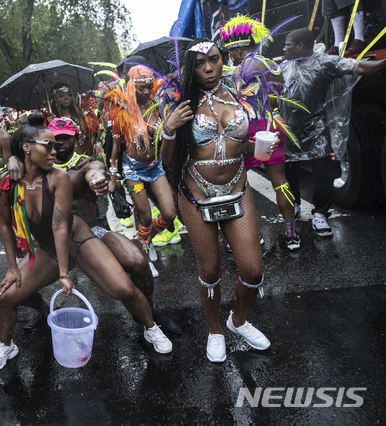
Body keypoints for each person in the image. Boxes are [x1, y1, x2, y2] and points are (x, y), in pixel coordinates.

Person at [0, 113, 172, 372]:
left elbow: (60, 225)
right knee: (6, 297)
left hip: (79, 240)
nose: (54, 150)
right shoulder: (6, 181)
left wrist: (64, 273)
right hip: (49, 249)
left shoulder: (58, 177)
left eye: (58, 144)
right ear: (27, 148)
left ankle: (151, 327)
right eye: (49, 145)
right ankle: (6, 345)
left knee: (123, 290)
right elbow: (5, 225)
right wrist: (11, 266)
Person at [161, 38, 275, 363]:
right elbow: (168, 161)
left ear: (222, 59)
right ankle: (215, 330)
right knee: (210, 270)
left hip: (238, 190)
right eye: (200, 63)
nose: (209, 68)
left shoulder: (237, 94)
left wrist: (262, 148)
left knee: (252, 271)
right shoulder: (183, 103)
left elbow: (242, 146)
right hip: (197, 195)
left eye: (214, 59)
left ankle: (237, 320)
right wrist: (170, 128)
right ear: (190, 69)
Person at [21, 116, 182, 336]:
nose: (59, 144)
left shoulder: (85, 163)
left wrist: (98, 179)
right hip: (53, 243)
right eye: (55, 139)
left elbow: (95, 171)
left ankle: (150, 312)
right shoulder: (37, 169)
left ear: (75, 138)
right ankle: (45, 312)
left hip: (91, 233)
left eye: (65, 138)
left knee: (137, 262)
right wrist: (12, 160)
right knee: (15, 288)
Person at [281, 28, 386, 236]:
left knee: (325, 173)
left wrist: (382, 64)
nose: (284, 48)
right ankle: (294, 205)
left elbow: (360, 67)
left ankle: (320, 214)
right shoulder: (284, 67)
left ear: (301, 45)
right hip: (290, 131)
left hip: (317, 130)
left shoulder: (324, 63)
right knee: (288, 172)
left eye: (288, 44)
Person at [221, 16, 300, 250]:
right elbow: (278, 97)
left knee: (241, 186)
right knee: (280, 182)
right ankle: (291, 234)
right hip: (273, 125)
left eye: (230, 52)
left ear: (237, 49)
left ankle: (254, 237)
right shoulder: (272, 65)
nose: (230, 56)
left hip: (248, 129)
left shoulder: (236, 71)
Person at [105, 66, 182, 262]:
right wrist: (113, 178)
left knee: (169, 213)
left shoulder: (158, 105)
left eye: (149, 87)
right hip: (133, 169)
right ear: (132, 87)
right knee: (145, 217)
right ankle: (145, 255)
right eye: (141, 89)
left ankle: (146, 239)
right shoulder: (121, 110)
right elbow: (115, 148)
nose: (146, 92)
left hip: (155, 167)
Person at [50, 83, 95, 156]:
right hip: (62, 157)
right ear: (55, 98)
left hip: (81, 156)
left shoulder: (79, 116)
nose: (66, 97)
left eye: (69, 95)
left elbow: (86, 138)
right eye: (61, 95)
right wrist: (51, 125)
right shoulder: (51, 119)